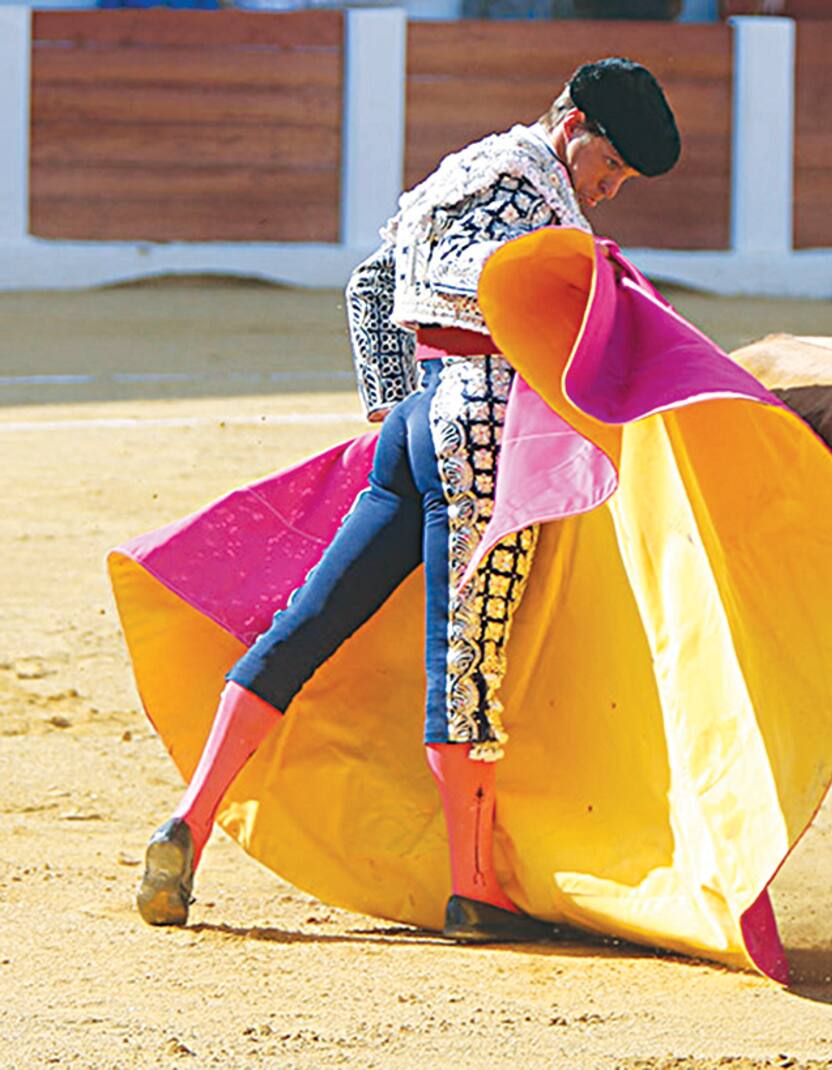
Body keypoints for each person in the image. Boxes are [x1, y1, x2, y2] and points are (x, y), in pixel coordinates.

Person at [134, 57, 681, 944]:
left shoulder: (468, 167)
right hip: (487, 423)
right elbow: (500, 294)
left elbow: (371, 284)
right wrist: (570, 292)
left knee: (309, 621)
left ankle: (189, 821)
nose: (610, 189)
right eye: (610, 166)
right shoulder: (536, 200)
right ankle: (473, 890)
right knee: (466, 662)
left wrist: (391, 410)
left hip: (416, 420)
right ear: (575, 127)